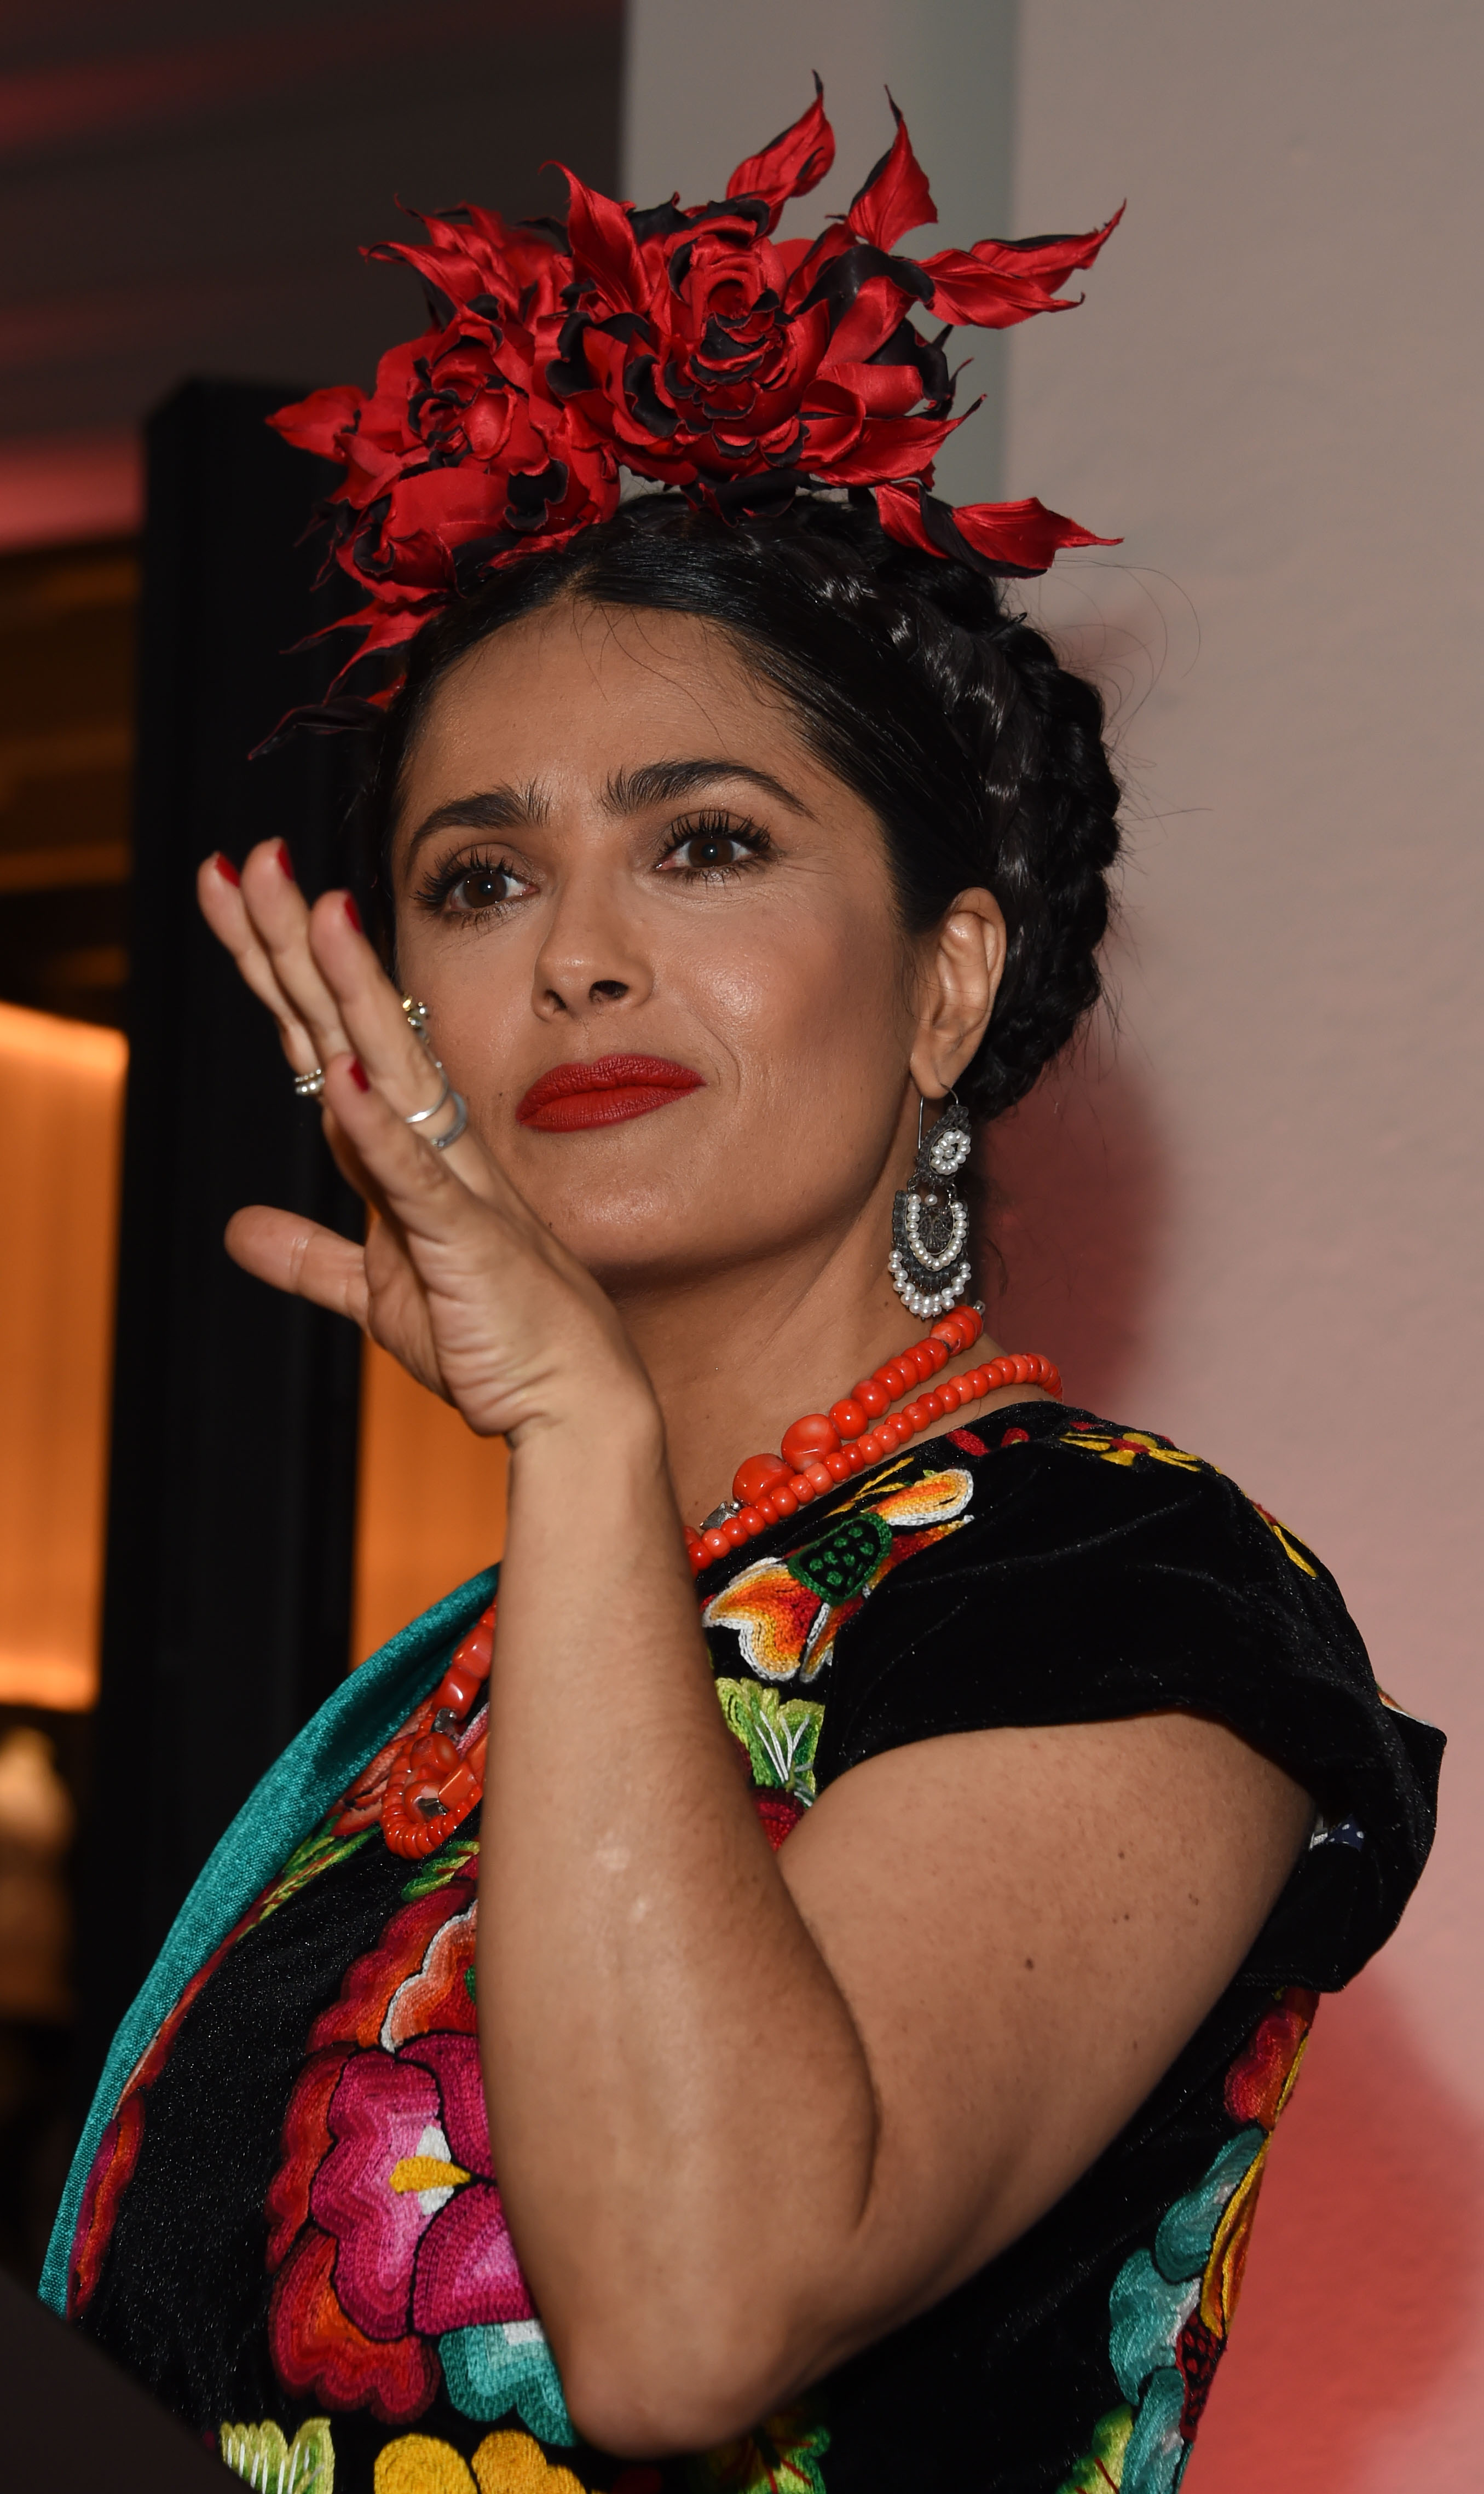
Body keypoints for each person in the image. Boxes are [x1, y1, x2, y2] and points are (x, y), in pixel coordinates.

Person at [43, 92, 1439, 2494]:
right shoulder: (430, 1701)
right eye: (480, 880)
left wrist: (577, 1433)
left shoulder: (1128, 1590)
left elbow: (690, 2315)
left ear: (942, 985)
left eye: (705, 842)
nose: (580, 953)